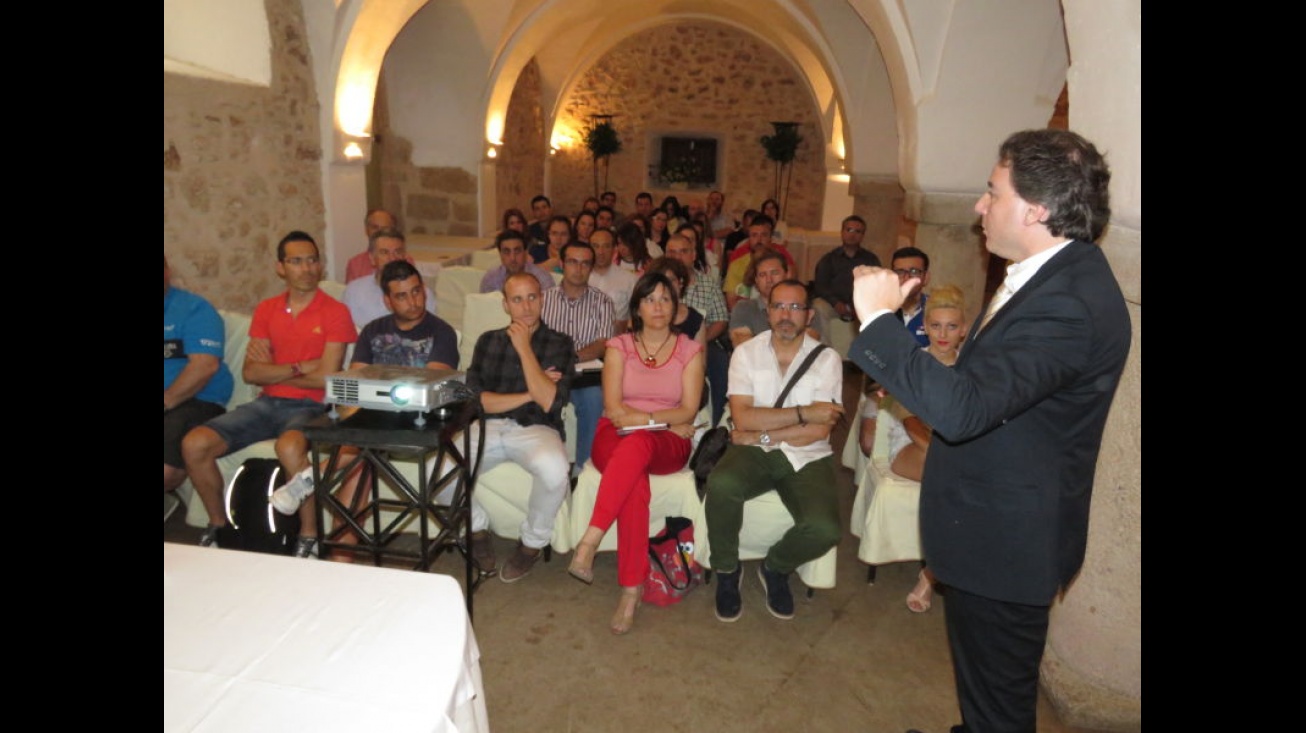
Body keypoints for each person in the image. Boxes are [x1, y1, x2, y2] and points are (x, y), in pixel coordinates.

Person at [849, 128, 1130, 733]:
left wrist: (878, 324)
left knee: (1001, 707)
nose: (979, 205)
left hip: (1009, 542)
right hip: (989, 526)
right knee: (983, 689)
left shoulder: (1071, 303)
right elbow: (990, 389)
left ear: (1036, 209)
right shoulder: (1048, 274)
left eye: (991, 191)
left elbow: (963, 410)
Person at [181, 231, 357, 556]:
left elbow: (327, 379)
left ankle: (309, 534)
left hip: (312, 406)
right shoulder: (267, 310)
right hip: (266, 404)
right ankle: (219, 526)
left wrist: (279, 368)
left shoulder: (335, 312)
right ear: (280, 267)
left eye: (312, 260)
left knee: (289, 447)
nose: (306, 268)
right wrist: (300, 366)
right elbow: (251, 372)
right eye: (296, 261)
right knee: (194, 444)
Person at [566, 271, 705, 635]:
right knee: (634, 477)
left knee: (639, 444)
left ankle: (589, 540)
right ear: (637, 308)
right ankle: (632, 589)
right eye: (649, 299)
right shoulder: (619, 347)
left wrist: (650, 423)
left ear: (676, 308)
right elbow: (613, 408)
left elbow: (689, 410)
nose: (658, 306)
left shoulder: (690, 350)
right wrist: (661, 420)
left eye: (665, 299)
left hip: (667, 443)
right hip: (616, 433)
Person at [705, 279, 844, 622]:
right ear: (767, 313)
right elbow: (742, 417)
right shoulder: (746, 354)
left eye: (795, 307)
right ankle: (726, 569)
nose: (786, 314)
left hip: (807, 454)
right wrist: (801, 413)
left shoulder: (827, 360)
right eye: (779, 306)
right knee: (722, 485)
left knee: (825, 529)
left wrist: (762, 436)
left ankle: (775, 567)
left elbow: (820, 429)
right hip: (759, 452)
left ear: (809, 315)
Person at [312, 260, 459, 561]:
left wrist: (377, 393)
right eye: (402, 296)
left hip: (416, 427)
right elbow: (356, 385)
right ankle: (342, 561)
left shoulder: (441, 332)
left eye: (417, 291)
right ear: (387, 301)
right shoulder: (372, 331)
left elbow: (426, 388)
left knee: (358, 454)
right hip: (373, 423)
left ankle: (308, 479)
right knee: (359, 462)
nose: (414, 301)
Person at [855, 284, 967, 611]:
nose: (942, 334)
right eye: (935, 325)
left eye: (951, 327)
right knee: (955, 480)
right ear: (925, 326)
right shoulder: (914, 364)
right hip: (909, 446)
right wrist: (946, 454)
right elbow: (911, 422)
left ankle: (932, 571)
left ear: (963, 330)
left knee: (963, 484)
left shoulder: (971, 368)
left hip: (953, 451)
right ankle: (932, 577)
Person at [462, 272, 576, 582]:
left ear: (542, 300)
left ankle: (531, 543)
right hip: (486, 426)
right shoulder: (488, 341)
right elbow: (477, 401)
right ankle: (475, 527)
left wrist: (524, 347)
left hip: (537, 429)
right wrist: (530, 393)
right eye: (517, 299)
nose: (526, 307)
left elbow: (551, 402)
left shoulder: (560, 343)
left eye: (532, 297)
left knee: (555, 470)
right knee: (436, 467)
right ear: (505, 305)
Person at [164, 257, 235, 517]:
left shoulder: (194, 309)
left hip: (196, 401)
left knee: (166, 471)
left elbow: (204, 367)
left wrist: (165, 401)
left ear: (167, 272)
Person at [540, 241, 616, 475]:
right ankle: (548, 466)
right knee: (538, 395)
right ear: (562, 264)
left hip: (583, 372)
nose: (579, 268)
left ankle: (583, 469)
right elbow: (536, 338)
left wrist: (571, 357)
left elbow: (603, 343)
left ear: (591, 268)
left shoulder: (603, 301)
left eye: (585, 263)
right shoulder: (543, 299)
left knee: (593, 398)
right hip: (549, 370)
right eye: (573, 261)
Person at [666, 230, 729, 424]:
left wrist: (699, 340)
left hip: (703, 341)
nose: (677, 257)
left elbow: (720, 320)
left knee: (719, 361)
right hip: (661, 344)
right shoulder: (656, 284)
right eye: (672, 252)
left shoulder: (708, 285)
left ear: (693, 255)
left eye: (683, 251)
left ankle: (717, 423)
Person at [342, 227, 436, 331]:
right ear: (372, 259)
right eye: (384, 252)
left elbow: (429, 333)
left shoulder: (421, 293)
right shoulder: (354, 292)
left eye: (398, 252)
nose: (392, 258)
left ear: (405, 256)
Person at [729, 248, 827, 347]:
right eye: (762, 275)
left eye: (774, 273)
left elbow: (808, 345)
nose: (769, 280)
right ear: (756, 280)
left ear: (787, 274)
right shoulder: (744, 308)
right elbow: (743, 347)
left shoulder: (806, 307)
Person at [812, 215, 882, 324]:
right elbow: (820, 286)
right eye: (849, 230)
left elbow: (877, 286)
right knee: (818, 306)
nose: (852, 234)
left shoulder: (871, 260)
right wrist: (835, 303)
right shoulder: (829, 259)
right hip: (834, 306)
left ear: (863, 236)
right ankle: (823, 342)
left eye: (857, 231)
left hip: (863, 307)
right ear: (842, 232)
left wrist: (859, 306)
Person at [722, 215, 796, 310]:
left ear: (770, 238)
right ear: (749, 239)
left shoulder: (782, 260)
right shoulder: (736, 264)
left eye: (764, 235)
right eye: (754, 235)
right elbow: (731, 304)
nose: (759, 240)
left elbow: (790, 293)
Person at [643, 256, 706, 347]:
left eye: (670, 280)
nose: (665, 286)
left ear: (680, 282)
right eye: (660, 281)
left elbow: (700, 359)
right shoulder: (643, 314)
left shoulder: (695, 319)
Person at [586, 227, 636, 336]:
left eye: (606, 246)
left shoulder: (629, 280)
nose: (600, 252)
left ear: (614, 249)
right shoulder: (580, 278)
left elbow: (637, 316)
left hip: (616, 340)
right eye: (595, 246)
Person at [479, 229, 557, 294]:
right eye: (506, 252)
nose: (512, 258)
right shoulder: (491, 278)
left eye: (517, 251)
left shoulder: (542, 279)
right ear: (500, 254)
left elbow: (549, 310)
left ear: (525, 253)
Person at [344, 209, 408, 283]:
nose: (379, 232)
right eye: (375, 227)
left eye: (385, 228)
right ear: (366, 230)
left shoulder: (405, 260)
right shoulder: (355, 264)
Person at [889, 246, 932, 346]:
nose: (906, 278)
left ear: (926, 278)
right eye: (900, 272)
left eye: (914, 272)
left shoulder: (937, 310)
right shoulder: (881, 310)